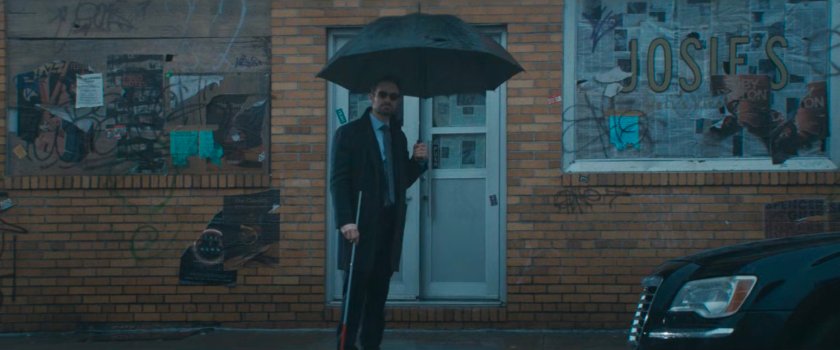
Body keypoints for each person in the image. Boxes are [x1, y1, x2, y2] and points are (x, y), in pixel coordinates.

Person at [330, 77, 428, 350]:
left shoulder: (398, 136)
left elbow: (399, 181)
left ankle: (371, 346)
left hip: (389, 226)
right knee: (355, 296)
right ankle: (345, 346)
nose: (387, 100)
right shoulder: (349, 134)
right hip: (359, 226)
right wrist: (345, 221)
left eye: (393, 97)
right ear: (371, 95)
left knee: (378, 298)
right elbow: (338, 181)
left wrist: (418, 163)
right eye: (382, 94)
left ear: (398, 101)